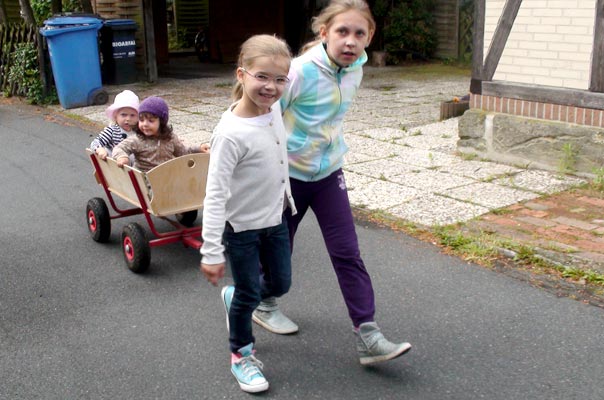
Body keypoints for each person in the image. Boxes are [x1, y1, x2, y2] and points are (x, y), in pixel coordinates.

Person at [253, 0, 412, 366]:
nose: (350, 41)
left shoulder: (357, 68)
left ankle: (368, 335)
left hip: (328, 175)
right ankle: (258, 299)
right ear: (323, 32)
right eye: (342, 31)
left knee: (347, 252)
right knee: (280, 259)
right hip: (287, 177)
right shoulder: (300, 72)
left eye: (359, 33)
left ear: (369, 37)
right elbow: (266, 115)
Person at [199, 35, 296, 393]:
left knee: (281, 284)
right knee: (248, 293)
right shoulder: (230, 133)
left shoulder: (272, 111)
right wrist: (210, 252)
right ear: (241, 75)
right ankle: (241, 356)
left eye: (279, 79)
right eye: (262, 76)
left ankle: (241, 295)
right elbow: (215, 194)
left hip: (276, 220)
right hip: (241, 229)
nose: (271, 87)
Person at [112, 96, 209, 172]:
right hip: (146, 181)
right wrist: (122, 156)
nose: (145, 124)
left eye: (151, 121)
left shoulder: (170, 138)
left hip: (167, 176)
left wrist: (198, 148)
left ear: (161, 122)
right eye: (141, 120)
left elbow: (183, 152)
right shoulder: (137, 140)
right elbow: (119, 148)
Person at [90, 89, 140, 160]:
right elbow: (95, 143)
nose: (128, 119)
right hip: (116, 163)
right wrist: (100, 149)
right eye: (123, 115)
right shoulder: (112, 130)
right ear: (116, 116)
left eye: (132, 115)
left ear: (138, 117)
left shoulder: (138, 131)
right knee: (111, 152)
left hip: (134, 166)